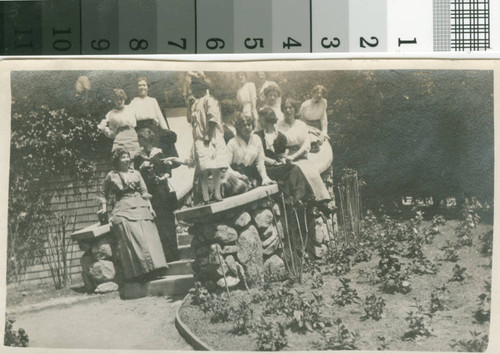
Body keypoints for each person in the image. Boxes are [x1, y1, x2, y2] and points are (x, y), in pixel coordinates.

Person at [98, 148, 168, 282]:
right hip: (123, 207)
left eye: (127, 157)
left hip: (140, 205)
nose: (126, 160)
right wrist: (104, 207)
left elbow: (144, 191)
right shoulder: (111, 176)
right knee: (133, 235)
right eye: (123, 157)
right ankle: (141, 272)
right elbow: (103, 193)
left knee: (148, 235)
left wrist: (150, 207)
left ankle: (157, 268)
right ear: (117, 160)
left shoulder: (136, 173)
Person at [134, 128, 180, 262]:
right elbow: (135, 175)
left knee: (167, 223)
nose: (139, 142)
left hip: (162, 192)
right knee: (155, 225)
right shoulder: (138, 158)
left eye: (141, 139)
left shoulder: (159, 153)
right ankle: (161, 258)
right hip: (149, 195)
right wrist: (141, 168)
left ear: (147, 140)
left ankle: (172, 255)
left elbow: (168, 170)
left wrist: (162, 177)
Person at [277, 97, 331, 203]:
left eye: (290, 107)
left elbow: (306, 146)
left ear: (295, 109)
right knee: (295, 170)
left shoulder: (301, 125)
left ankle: (320, 201)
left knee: (310, 170)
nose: (288, 110)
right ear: (282, 109)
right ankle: (295, 200)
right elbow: (274, 144)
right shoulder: (278, 125)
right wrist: (282, 157)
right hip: (283, 157)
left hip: (299, 155)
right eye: (285, 107)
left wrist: (293, 156)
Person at [255, 106, 313, 204]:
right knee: (293, 170)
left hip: (275, 168)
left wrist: (282, 160)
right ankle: (306, 199)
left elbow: (281, 156)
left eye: (260, 118)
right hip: (263, 169)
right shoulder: (257, 136)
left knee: (294, 169)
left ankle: (297, 199)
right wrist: (268, 160)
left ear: (266, 119)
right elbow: (256, 156)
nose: (259, 120)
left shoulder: (280, 137)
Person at [186, 73, 229, 204]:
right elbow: (189, 120)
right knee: (203, 169)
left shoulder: (208, 100)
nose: (195, 90)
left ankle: (216, 192)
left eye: (198, 87)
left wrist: (208, 136)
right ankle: (205, 197)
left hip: (210, 138)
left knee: (215, 166)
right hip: (199, 139)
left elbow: (213, 119)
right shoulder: (195, 103)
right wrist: (189, 106)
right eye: (193, 87)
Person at [223, 113, 275, 197]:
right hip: (235, 176)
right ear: (238, 127)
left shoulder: (256, 139)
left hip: (251, 175)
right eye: (243, 125)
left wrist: (265, 178)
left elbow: (260, 162)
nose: (247, 127)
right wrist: (238, 175)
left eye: (249, 124)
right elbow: (226, 166)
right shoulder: (232, 143)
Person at [97, 89, 141, 158]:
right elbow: (107, 129)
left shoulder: (130, 109)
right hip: (120, 138)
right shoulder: (111, 114)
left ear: (124, 98)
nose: (119, 101)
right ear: (113, 101)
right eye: (116, 99)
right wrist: (106, 131)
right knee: (119, 158)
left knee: (134, 157)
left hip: (132, 136)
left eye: (121, 99)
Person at [299, 85, 329, 150]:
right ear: (313, 93)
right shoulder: (305, 104)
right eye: (318, 93)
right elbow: (300, 119)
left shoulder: (324, 102)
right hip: (306, 127)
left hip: (317, 127)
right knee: (309, 140)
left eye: (321, 93)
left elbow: (323, 118)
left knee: (322, 141)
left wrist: (324, 131)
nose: (319, 95)